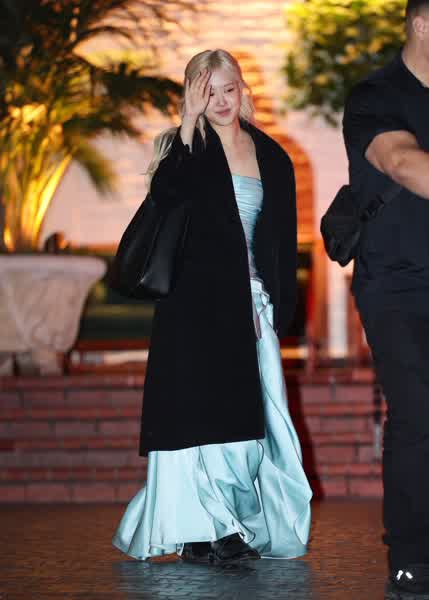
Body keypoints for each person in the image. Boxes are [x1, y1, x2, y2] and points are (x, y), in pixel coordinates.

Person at [112, 49, 312, 565]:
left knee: (246, 426)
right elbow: (164, 197)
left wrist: (276, 306)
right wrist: (187, 123)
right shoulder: (186, 148)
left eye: (228, 89)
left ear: (243, 89)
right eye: (208, 91)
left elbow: (280, 239)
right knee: (193, 420)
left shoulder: (272, 155)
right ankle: (206, 533)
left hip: (250, 301)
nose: (220, 101)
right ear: (193, 94)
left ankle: (226, 524)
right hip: (191, 303)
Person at [343, 1, 429, 594]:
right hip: (395, 286)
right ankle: (411, 559)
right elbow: (402, 163)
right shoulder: (375, 95)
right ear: (422, 24)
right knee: (419, 414)